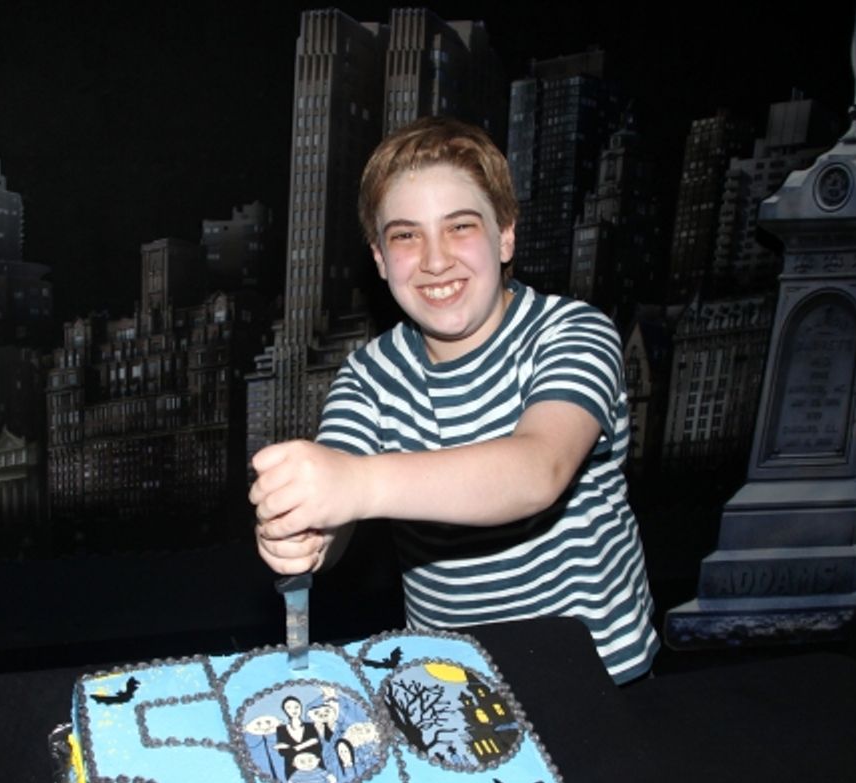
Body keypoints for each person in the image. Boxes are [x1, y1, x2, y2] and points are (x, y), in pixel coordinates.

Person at [249, 116, 658, 683]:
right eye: (405, 235)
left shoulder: (572, 332)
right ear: (379, 258)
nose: (436, 260)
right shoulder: (369, 376)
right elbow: (335, 510)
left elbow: (538, 470)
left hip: (599, 675)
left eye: (460, 226)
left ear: (506, 234)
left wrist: (357, 484)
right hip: (455, 686)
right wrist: (304, 532)